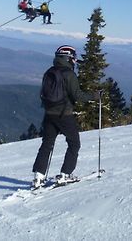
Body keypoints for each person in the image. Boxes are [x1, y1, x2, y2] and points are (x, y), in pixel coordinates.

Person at [32, 45, 93, 188]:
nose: (74, 61)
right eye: (73, 58)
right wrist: (95, 96)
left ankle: (38, 177)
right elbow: (77, 95)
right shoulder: (69, 74)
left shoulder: (49, 72)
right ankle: (65, 174)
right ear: (68, 58)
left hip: (49, 114)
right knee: (74, 143)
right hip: (64, 114)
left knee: (47, 144)